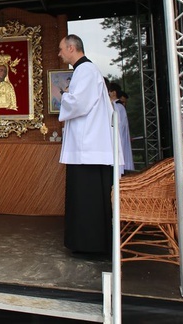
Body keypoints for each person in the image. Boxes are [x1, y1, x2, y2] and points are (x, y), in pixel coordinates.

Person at [57, 34, 118, 256]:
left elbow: (79, 103)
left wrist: (64, 96)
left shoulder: (85, 71)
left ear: (72, 48)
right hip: (89, 144)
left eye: (62, 49)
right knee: (89, 197)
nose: (60, 53)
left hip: (88, 147)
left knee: (87, 198)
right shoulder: (87, 71)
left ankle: (89, 244)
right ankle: (90, 242)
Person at [107, 81, 134, 172]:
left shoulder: (117, 106)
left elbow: (116, 125)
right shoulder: (118, 106)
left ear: (114, 93)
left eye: (109, 91)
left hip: (117, 141)